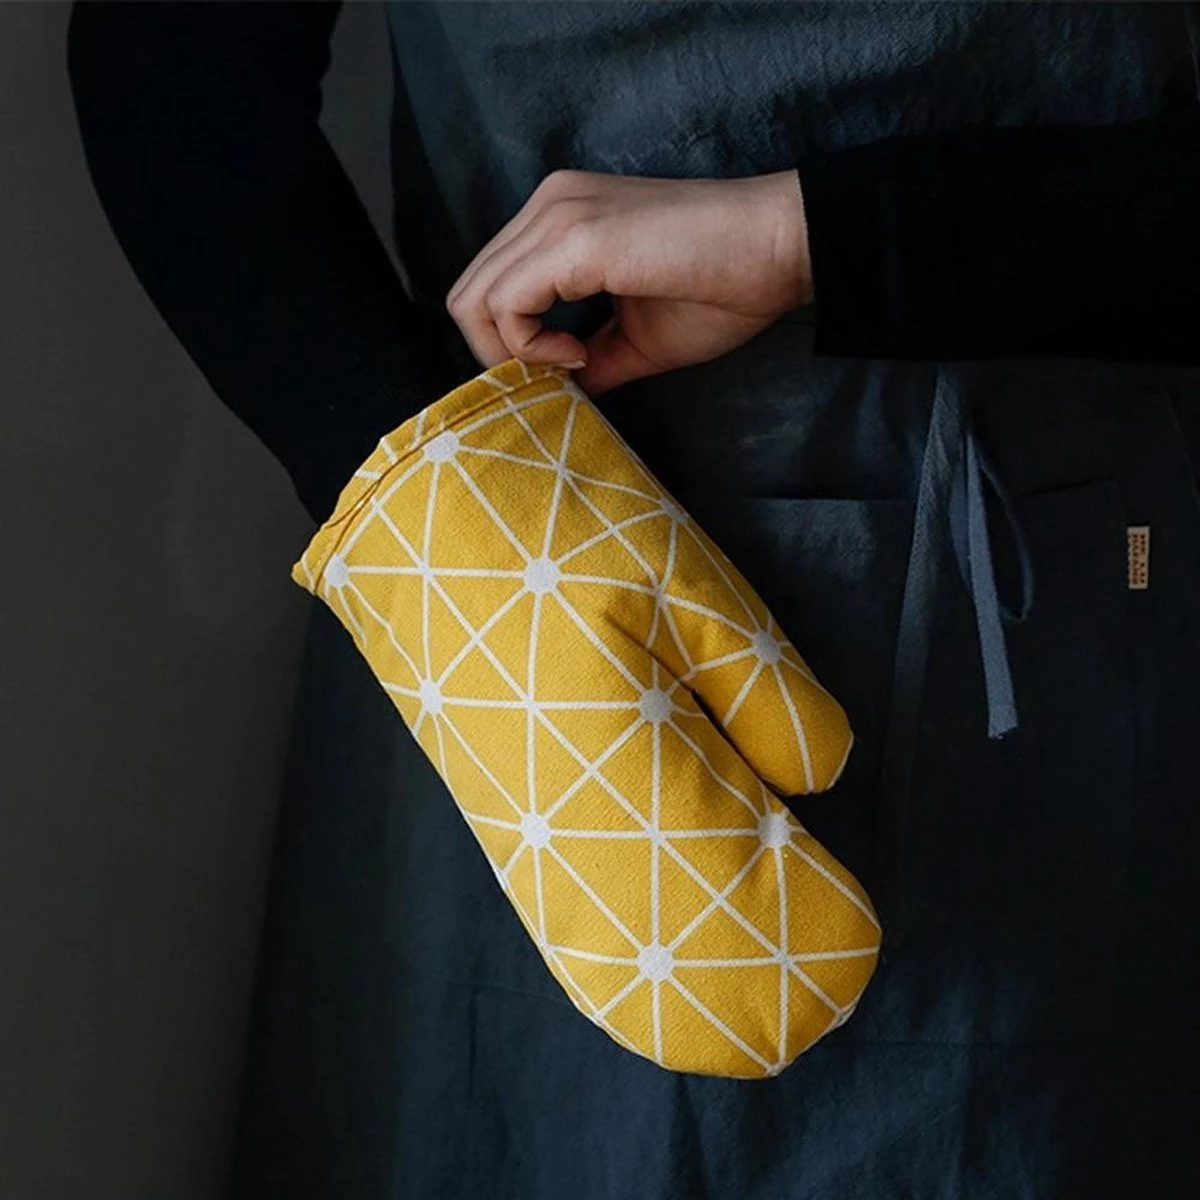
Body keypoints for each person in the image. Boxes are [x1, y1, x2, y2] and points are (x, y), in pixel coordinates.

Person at [67, 2, 1200, 1196]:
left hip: (1054, 610)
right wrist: (447, 524)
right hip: (505, 611)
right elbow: (169, 65)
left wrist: (818, 234)